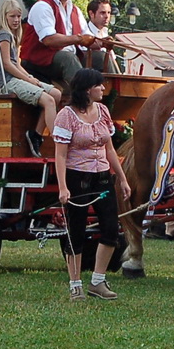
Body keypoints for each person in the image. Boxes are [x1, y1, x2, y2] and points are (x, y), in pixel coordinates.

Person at [53, 67, 128, 300]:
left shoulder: (103, 111)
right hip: (78, 178)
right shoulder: (67, 115)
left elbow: (109, 148)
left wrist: (122, 178)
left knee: (110, 229)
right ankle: (75, 283)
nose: (104, 88)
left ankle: (97, 280)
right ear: (87, 89)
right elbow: (61, 155)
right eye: (99, 85)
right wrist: (63, 186)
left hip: (102, 177)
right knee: (76, 232)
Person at [0, 0, 61, 155]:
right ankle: (59, 144)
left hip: (16, 77)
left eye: (18, 16)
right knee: (49, 100)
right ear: (5, 17)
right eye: (12, 16)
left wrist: (32, 79)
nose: (16, 20)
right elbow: (7, 64)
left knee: (56, 93)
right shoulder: (4, 35)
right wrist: (28, 79)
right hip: (7, 81)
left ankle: (35, 134)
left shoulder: (13, 35)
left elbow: (16, 62)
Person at [22, 0, 105, 84]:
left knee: (100, 57)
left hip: (66, 58)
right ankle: (82, 99)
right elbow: (49, 39)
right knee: (68, 58)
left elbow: (87, 38)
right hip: (38, 62)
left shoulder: (74, 9)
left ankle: (115, 94)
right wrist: (78, 39)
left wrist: (101, 42)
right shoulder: (42, 7)